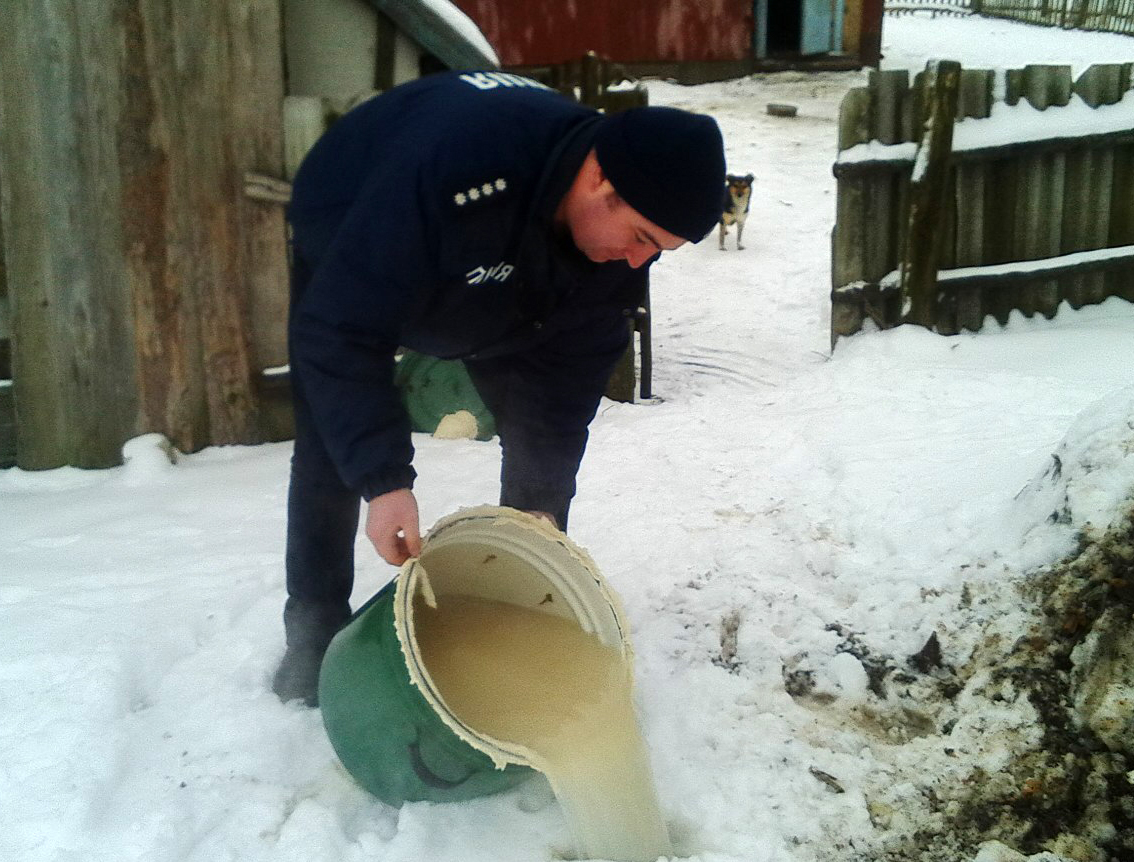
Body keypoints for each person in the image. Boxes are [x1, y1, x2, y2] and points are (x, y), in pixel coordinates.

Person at [273, 70, 725, 706]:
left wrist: (538, 507)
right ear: (600, 180)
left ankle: (513, 622)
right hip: (352, 213)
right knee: (330, 443)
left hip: (502, 269)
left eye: (661, 252)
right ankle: (313, 632)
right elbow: (340, 333)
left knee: (536, 478)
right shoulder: (453, 176)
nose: (638, 263)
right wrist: (383, 480)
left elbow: (561, 394)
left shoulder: (611, 256)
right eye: (644, 238)